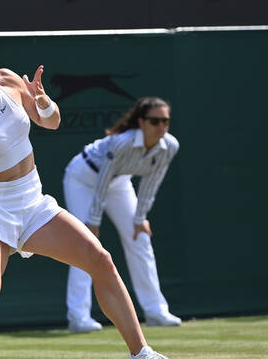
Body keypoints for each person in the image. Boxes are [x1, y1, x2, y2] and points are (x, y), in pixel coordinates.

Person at [0, 10, 170, 359]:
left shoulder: (7, 80)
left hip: (32, 201)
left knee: (101, 260)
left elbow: (50, 122)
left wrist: (43, 102)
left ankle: (142, 353)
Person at [62, 97, 181, 333]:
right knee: (85, 244)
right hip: (83, 178)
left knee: (141, 239)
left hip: (119, 183)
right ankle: (78, 316)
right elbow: (102, 181)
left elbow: (152, 182)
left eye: (165, 121)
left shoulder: (170, 145)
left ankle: (156, 310)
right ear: (141, 122)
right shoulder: (122, 143)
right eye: (155, 121)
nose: (161, 127)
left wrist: (140, 219)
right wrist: (93, 222)